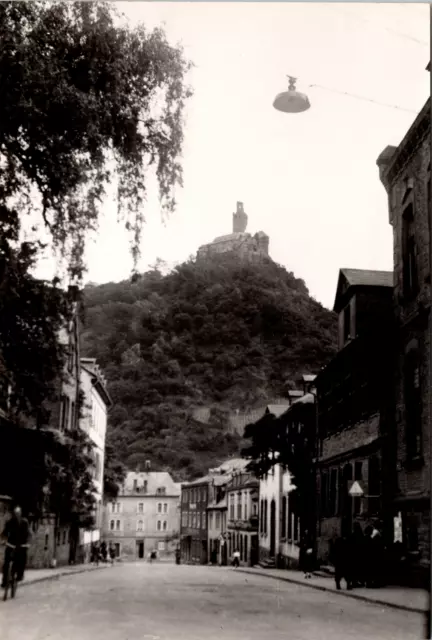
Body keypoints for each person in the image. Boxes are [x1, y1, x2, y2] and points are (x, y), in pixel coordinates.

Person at [1, 505, 30, 588]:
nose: (16, 514)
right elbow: (4, 533)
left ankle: (20, 575)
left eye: (18, 513)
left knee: (22, 559)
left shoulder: (25, 522)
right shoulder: (10, 522)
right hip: (11, 544)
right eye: (15, 513)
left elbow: (29, 534)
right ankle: (4, 581)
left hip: (21, 545)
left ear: (20, 513)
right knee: (6, 563)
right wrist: (3, 540)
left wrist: (27, 543)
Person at [350, 522, 365, 587]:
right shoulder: (361, 534)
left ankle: (355, 582)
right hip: (359, 554)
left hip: (355, 555)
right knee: (359, 569)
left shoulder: (353, 535)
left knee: (355, 569)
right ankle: (358, 582)